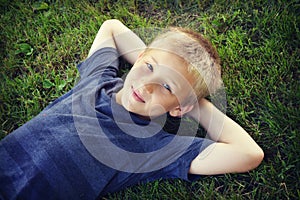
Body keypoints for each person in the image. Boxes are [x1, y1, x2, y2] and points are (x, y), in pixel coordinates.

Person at [0, 19, 264, 199]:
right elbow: (111, 28)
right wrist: (151, 58)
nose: (146, 86)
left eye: (167, 87)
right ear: (139, 57)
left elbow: (248, 153)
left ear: (179, 109)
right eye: (148, 67)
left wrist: (195, 106)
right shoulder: (99, 81)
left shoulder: (152, 147)